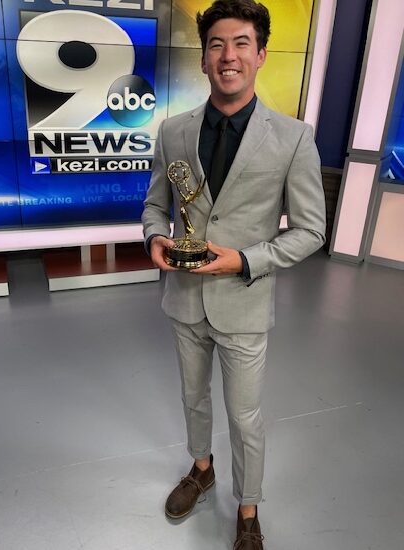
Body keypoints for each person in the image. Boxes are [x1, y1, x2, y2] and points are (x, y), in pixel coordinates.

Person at [142, 1, 326, 548]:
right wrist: (155, 237)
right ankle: (203, 470)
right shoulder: (172, 132)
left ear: (261, 55)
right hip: (184, 298)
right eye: (217, 45)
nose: (229, 56)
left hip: (244, 301)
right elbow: (156, 206)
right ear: (203, 60)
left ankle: (248, 510)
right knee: (193, 398)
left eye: (241, 43)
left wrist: (246, 260)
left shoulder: (294, 138)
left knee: (245, 415)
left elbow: (311, 231)